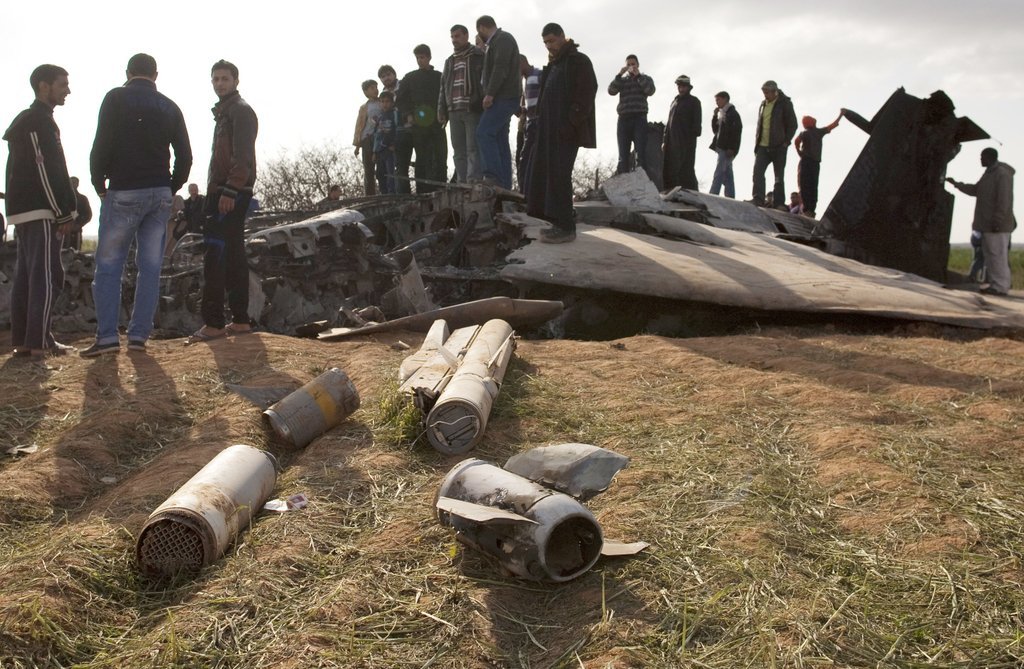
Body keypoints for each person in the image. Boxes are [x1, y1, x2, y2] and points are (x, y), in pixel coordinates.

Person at [83, 53, 192, 357]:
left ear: (128, 72)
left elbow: (101, 143)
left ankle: (107, 337)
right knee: (150, 267)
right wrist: (170, 186)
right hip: (159, 194)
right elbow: (185, 155)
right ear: (155, 75)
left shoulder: (115, 98)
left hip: (124, 190)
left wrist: (99, 183)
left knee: (109, 266)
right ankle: (138, 337)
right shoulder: (170, 106)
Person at [3, 64, 77, 359]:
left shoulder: (31, 120)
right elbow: (44, 168)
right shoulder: (38, 121)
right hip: (40, 210)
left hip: (27, 211)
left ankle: (25, 341)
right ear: (44, 86)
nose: (68, 90)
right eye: (63, 84)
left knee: (27, 276)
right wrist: (63, 211)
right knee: (47, 275)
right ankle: (39, 343)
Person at [188, 59, 258, 343]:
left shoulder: (240, 111)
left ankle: (214, 324)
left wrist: (229, 191)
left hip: (230, 191)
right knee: (232, 254)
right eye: (215, 79)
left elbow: (243, 157)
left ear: (236, 81)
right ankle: (240, 321)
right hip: (227, 189)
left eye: (225, 79)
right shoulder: (225, 113)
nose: (219, 84)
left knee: (215, 255)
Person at [526, 23, 597, 244]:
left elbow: (587, 92)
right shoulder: (554, 65)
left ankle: (566, 227)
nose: (549, 46)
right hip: (548, 130)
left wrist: (571, 122)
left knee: (560, 175)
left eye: (552, 41)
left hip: (566, 131)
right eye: (545, 42)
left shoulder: (578, 61)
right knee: (546, 174)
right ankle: (555, 221)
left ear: (562, 37)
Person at [947, 148, 1016, 296]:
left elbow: (1003, 200)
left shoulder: (1002, 174)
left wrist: (997, 220)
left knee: (998, 256)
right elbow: (976, 190)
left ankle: (1001, 287)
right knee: (991, 257)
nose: (980, 159)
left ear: (990, 157)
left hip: (996, 226)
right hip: (987, 225)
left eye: (982, 157)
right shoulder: (989, 174)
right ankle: (995, 285)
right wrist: (956, 184)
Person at [475, 15, 522, 189]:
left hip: (503, 96)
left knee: (484, 132)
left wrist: (490, 94)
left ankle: (492, 176)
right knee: (500, 139)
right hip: (503, 97)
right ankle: (504, 185)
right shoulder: (498, 41)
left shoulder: (502, 39)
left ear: (482, 28)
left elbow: (500, 68)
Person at [397, 45, 447, 193]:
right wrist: (408, 114)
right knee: (422, 157)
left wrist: (445, 114)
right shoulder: (410, 78)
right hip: (418, 125)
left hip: (437, 123)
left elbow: (446, 96)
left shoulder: (439, 77)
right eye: (417, 57)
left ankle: (440, 187)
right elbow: (400, 99)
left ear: (429, 57)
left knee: (440, 155)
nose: (420, 60)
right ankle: (422, 190)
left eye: (422, 57)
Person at [438, 24, 485, 183]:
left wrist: (481, 101)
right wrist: (441, 109)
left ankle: (473, 181)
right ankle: (462, 182)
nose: (454, 40)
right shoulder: (450, 61)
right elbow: (443, 86)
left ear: (466, 35)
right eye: (452, 37)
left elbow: (484, 81)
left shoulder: (478, 55)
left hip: (472, 108)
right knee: (458, 150)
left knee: (473, 148)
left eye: (457, 36)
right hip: (453, 110)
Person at [752, 79, 797, 208]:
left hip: (779, 146)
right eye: (764, 92)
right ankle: (758, 198)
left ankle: (779, 203)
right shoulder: (763, 104)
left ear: (775, 92)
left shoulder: (785, 103)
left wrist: (786, 141)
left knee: (778, 177)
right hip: (762, 146)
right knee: (757, 172)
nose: (765, 95)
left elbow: (793, 124)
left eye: (767, 92)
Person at [608, 54, 656, 175]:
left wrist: (638, 76)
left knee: (640, 154)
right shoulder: (622, 80)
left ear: (638, 65)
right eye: (628, 65)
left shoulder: (645, 78)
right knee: (623, 155)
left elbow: (650, 91)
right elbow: (611, 91)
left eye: (633, 64)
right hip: (624, 119)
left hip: (639, 118)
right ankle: (624, 180)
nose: (631, 67)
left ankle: (641, 179)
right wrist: (619, 75)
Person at [794, 112, 842, 217]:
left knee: (805, 185)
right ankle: (810, 209)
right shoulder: (818, 132)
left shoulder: (804, 133)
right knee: (812, 185)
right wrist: (841, 115)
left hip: (806, 161)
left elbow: (796, 142)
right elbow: (833, 125)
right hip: (814, 162)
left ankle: (807, 209)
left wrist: (799, 152)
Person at [662, 75, 701, 191]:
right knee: (670, 168)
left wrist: (690, 138)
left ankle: (691, 193)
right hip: (671, 141)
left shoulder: (694, 102)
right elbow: (669, 123)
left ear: (688, 87)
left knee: (686, 169)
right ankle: (671, 191)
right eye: (679, 86)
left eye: (683, 86)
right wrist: (664, 140)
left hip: (686, 141)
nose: (681, 89)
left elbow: (697, 124)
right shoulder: (674, 102)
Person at [516, 54, 542, 193]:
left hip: (538, 121)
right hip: (530, 121)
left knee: (526, 158)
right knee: (524, 158)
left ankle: (526, 193)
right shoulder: (526, 81)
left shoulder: (538, 75)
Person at [709, 91, 742, 198]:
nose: (717, 102)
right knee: (727, 175)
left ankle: (713, 193)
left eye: (718, 100)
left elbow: (736, 133)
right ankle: (730, 196)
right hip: (721, 147)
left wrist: (732, 148)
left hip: (726, 148)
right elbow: (715, 130)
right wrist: (715, 116)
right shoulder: (723, 114)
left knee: (719, 172)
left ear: (725, 99)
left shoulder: (732, 114)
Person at [352, 80, 381, 196]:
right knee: (368, 169)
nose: (375, 90)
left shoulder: (383, 102)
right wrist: (357, 145)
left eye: (376, 87)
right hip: (367, 139)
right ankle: (369, 195)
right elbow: (359, 126)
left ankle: (385, 192)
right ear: (366, 92)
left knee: (382, 167)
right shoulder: (364, 107)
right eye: (372, 88)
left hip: (380, 138)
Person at [374, 91, 400, 194]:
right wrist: (374, 152)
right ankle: (383, 193)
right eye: (382, 101)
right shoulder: (380, 117)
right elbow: (377, 135)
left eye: (387, 101)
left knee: (391, 173)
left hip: (390, 149)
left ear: (392, 102)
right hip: (380, 150)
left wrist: (394, 144)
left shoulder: (394, 114)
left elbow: (397, 130)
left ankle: (392, 193)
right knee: (380, 174)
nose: (385, 104)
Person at [63, 176, 93, 250]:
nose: (73, 184)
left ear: (78, 184)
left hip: (76, 231)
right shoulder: (62, 198)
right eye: (71, 182)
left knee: (76, 252)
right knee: (62, 251)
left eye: (74, 182)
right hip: (63, 231)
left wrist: (79, 224)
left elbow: (88, 215)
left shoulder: (83, 199)